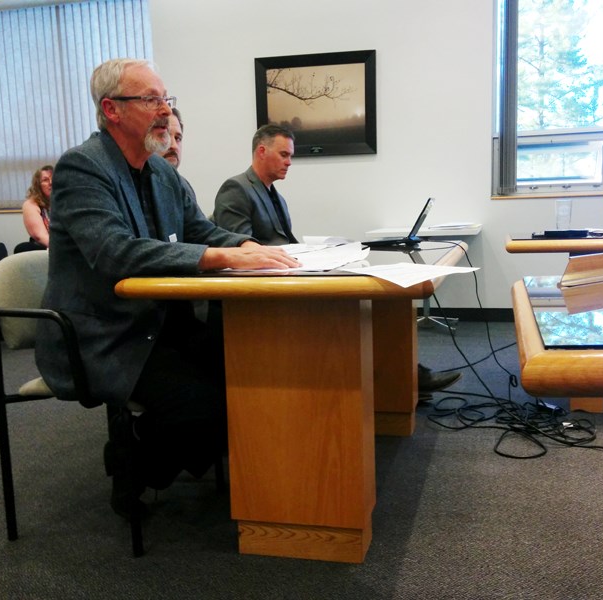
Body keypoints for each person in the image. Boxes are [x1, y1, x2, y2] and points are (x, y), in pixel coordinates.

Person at [35, 58, 300, 518]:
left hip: (159, 324)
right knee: (209, 408)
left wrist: (250, 246)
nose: (164, 110)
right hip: (104, 334)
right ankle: (133, 458)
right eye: (151, 99)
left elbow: (204, 230)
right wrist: (221, 256)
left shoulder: (162, 172)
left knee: (255, 373)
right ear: (112, 110)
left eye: (166, 99)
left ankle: (160, 451)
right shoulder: (81, 169)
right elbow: (115, 253)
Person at [213, 124, 461, 394]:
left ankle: (403, 380)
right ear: (261, 151)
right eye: (284, 155)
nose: (289, 162)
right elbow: (239, 250)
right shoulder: (236, 188)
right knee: (356, 306)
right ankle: (405, 379)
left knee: (376, 298)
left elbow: (287, 245)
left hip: (289, 277)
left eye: (291, 156)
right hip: (265, 294)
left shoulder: (276, 197)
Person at [21, 165, 53, 249]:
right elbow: (40, 236)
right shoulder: (31, 204)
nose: (51, 182)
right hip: (45, 247)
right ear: (38, 185)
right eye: (45, 180)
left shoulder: (65, 202)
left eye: (54, 179)